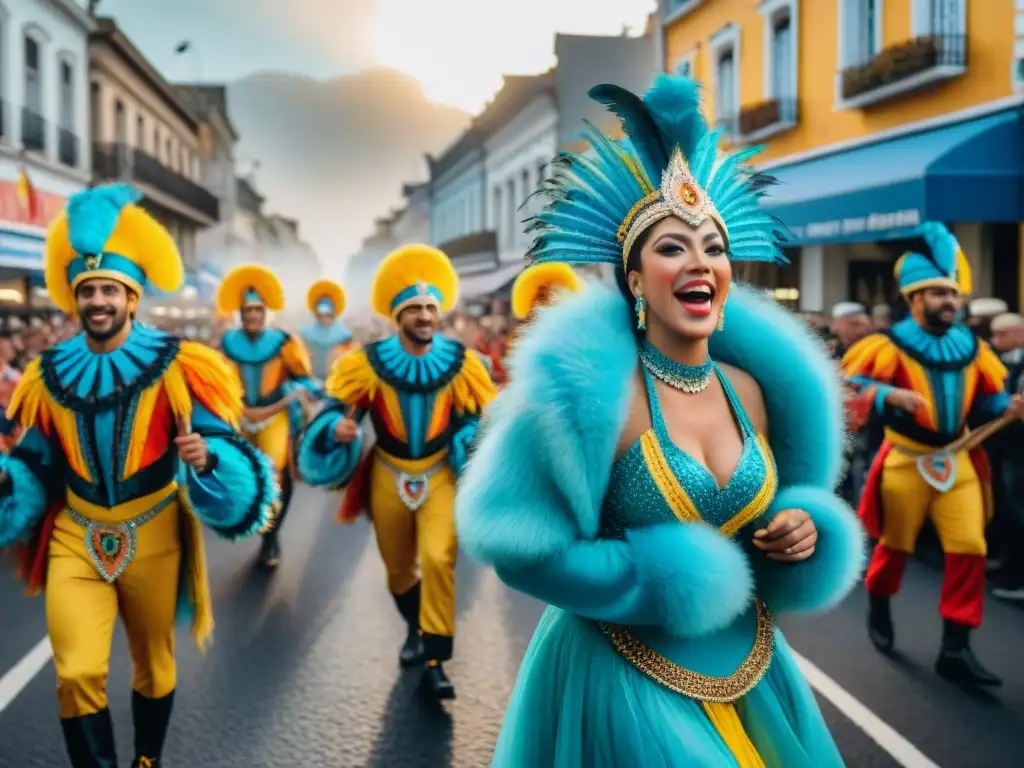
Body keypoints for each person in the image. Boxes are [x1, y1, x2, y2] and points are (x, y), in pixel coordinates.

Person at [455, 75, 863, 767]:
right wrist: (659, 579)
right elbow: (519, 546)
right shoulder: (586, 400)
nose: (700, 261)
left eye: (713, 247)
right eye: (672, 248)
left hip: (752, 667)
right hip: (619, 669)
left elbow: (770, 519)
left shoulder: (752, 391)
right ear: (635, 279)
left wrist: (795, 530)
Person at [0, 183, 277, 767]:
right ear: (76, 300)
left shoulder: (179, 364)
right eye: (88, 290)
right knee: (75, 669)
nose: (97, 300)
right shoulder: (46, 373)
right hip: (76, 534)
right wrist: (9, 480)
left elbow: (223, 441)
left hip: (153, 531)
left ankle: (146, 760)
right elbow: (36, 458)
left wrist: (209, 459)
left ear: (131, 296)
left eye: (109, 290)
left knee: (154, 666)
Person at [296, 244, 496, 700]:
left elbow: (470, 419)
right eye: (415, 309)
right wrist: (336, 429)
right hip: (387, 474)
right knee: (399, 571)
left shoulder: (464, 364)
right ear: (397, 316)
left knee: (438, 558)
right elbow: (334, 411)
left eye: (431, 307)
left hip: (440, 474)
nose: (426, 315)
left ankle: (435, 660)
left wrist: (473, 438)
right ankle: (415, 627)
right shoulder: (366, 365)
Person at [843, 222, 1024, 686]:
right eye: (939, 293)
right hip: (906, 459)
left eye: (953, 293)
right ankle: (879, 605)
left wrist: (1010, 406)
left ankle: (956, 648)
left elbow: (987, 402)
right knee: (895, 549)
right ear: (914, 298)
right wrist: (889, 397)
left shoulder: (974, 347)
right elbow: (851, 386)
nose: (950, 301)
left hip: (958, 461)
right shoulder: (885, 346)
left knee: (969, 549)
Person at [217, 264, 318, 569]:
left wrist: (311, 391)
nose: (252, 316)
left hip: (276, 414)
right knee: (238, 472)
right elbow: (218, 378)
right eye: (247, 311)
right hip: (241, 415)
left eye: (258, 310)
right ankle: (252, 520)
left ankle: (271, 536)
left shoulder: (284, 342)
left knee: (275, 470)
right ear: (240, 313)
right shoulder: (226, 343)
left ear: (266, 312)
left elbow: (302, 375)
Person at [301, 278, 358, 381]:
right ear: (317, 315)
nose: (324, 317)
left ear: (332, 314)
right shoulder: (306, 335)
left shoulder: (344, 336)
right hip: (312, 379)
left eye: (327, 314)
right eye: (321, 314)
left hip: (336, 380)